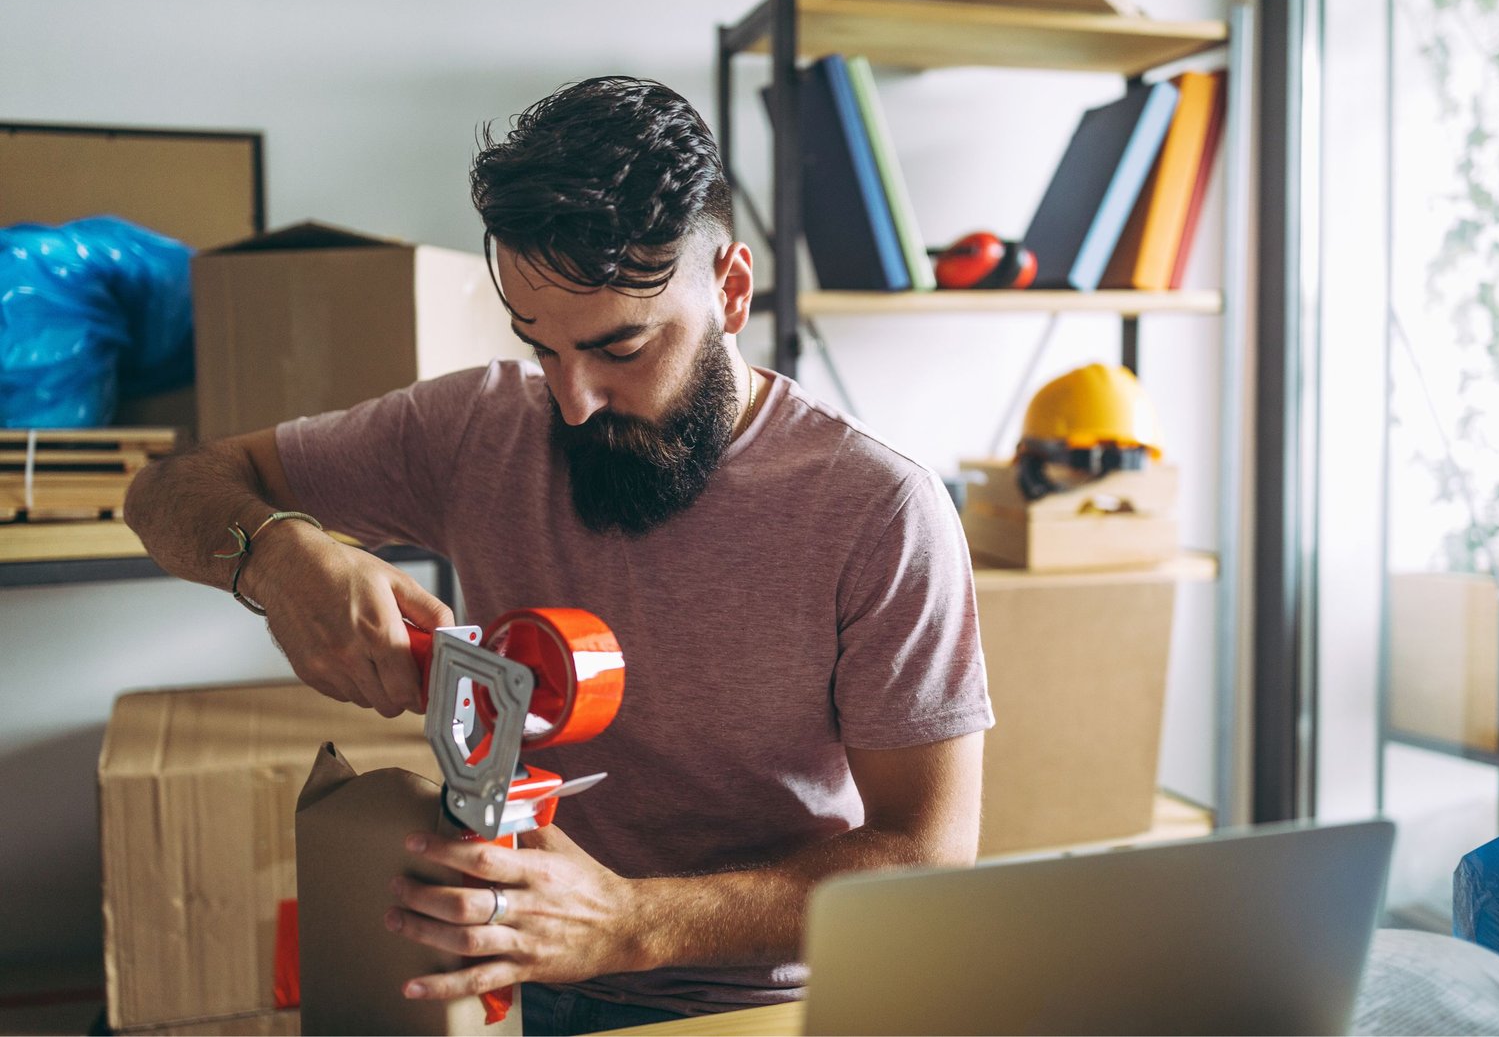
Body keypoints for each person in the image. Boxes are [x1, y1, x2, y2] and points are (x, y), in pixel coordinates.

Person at [125, 76, 993, 1034]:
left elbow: (926, 857)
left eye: (621, 348)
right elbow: (167, 487)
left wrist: (630, 924)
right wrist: (277, 557)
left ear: (732, 290)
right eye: (540, 346)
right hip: (493, 975)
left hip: (745, 997)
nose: (571, 400)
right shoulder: (475, 424)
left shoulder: (880, 510)